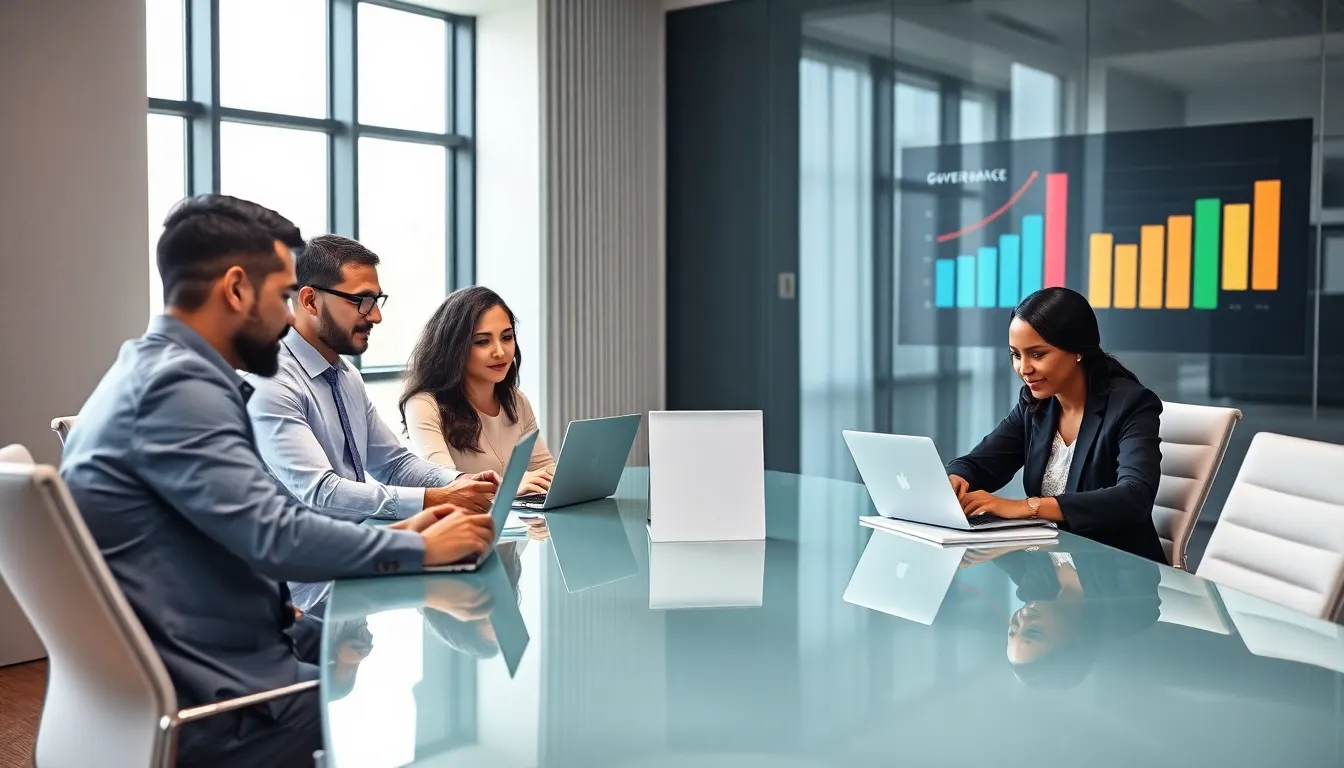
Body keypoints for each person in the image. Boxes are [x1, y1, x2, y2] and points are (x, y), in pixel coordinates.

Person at [60, 195, 496, 767]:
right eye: (283, 295)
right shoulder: (180, 389)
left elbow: (238, 524)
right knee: (374, 704)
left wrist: (403, 531)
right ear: (237, 289)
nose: (289, 317)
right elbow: (275, 534)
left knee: (353, 643)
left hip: (199, 641)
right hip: (206, 686)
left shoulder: (150, 369)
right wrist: (418, 548)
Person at [247, 234, 499, 527]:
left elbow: (393, 465)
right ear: (310, 301)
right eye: (362, 301)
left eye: (376, 301)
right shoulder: (269, 383)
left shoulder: (346, 376)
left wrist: (460, 482)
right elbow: (321, 492)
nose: (376, 316)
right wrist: (435, 498)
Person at [944, 287, 1167, 564]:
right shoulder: (1036, 404)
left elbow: (1133, 498)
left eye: (1037, 354)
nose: (1024, 369)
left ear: (1077, 350)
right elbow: (981, 463)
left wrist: (1028, 507)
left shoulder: (1131, 404)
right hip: (1048, 567)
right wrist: (956, 480)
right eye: (1016, 355)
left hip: (1116, 572)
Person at [399, 286, 555, 495]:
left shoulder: (516, 400)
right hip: (460, 516)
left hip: (515, 516)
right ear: (454, 348)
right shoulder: (424, 405)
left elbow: (545, 469)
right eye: (483, 341)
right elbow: (446, 487)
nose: (500, 352)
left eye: (507, 337)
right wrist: (509, 486)